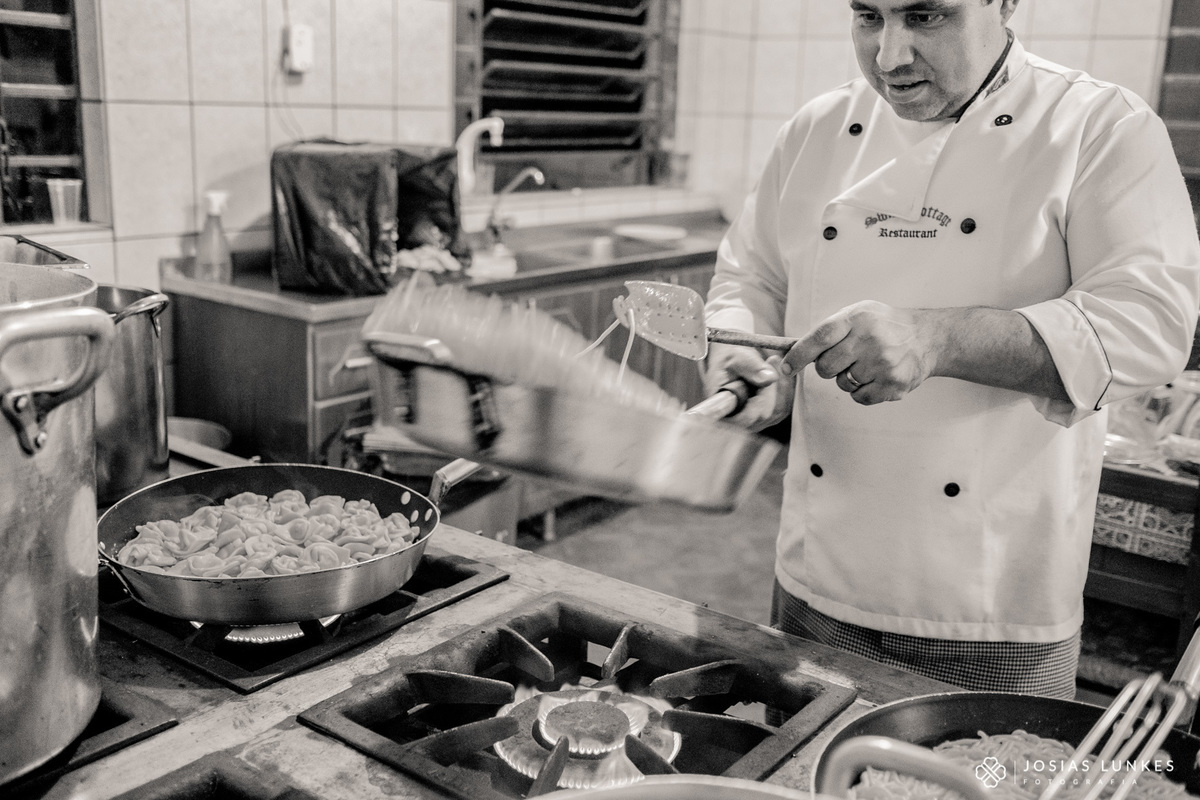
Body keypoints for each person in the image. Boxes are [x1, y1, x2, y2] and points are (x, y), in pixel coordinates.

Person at [703, 0, 1200, 699]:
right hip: (816, 578)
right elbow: (750, 277)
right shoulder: (815, 131)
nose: (889, 56)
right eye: (869, 17)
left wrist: (937, 339)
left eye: (926, 17)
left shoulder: (1100, 126)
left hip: (993, 607)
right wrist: (740, 355)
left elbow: (1149, 327)